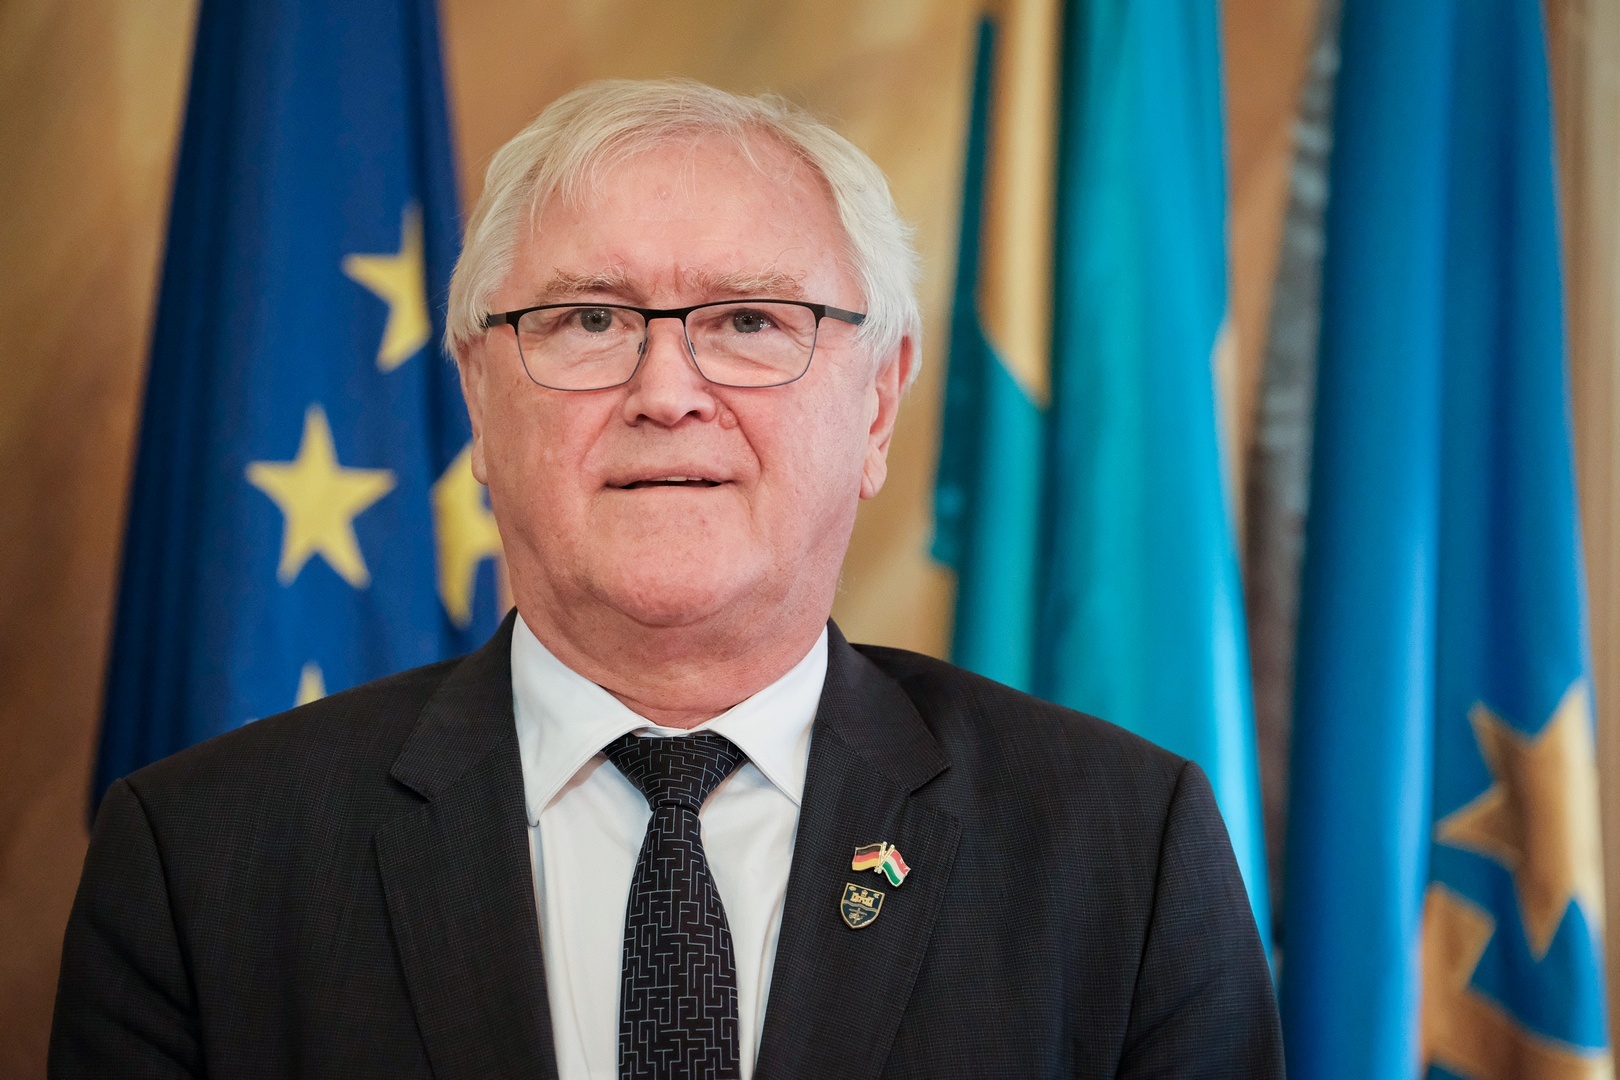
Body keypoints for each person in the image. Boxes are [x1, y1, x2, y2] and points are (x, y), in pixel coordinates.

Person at [50, 79, 1282, 1079]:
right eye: (589, 320)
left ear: (878, 405)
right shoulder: (201, 862)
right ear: (479, 400)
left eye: (750, 320)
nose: (667, 391)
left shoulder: (1122, 850)